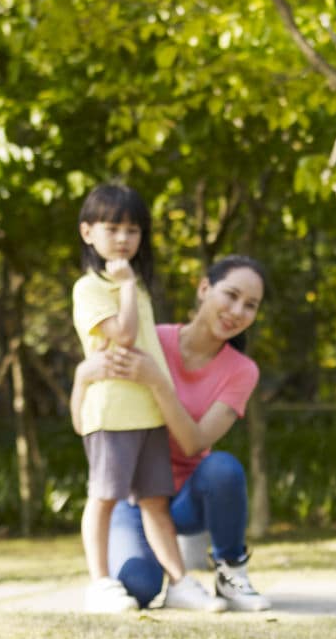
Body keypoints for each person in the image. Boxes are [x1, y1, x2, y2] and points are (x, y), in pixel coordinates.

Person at [73, 254, 272, 613]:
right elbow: (101, 394)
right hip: (136, 496)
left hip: (185, 499)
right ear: (204, 288)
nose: (237, 311)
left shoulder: (242, 370)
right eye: (230, 295)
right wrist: (83, 374)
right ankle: (167, 578)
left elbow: (194, 442)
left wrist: (157, 381)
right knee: (138, 588)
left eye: (250, 305)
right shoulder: (154, 340)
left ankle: (231, 574)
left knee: (223, 469)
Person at [72, 184, 226, 615]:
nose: (124, 238)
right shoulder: (90, 287)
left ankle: (179, 582)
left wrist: (127, 287)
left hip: (148, 412)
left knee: (156, 501)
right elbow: (119, 335)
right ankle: (99, 583)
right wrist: (123, 286)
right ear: (88, 232)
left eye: (133, 229)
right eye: (113, 227)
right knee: (103, 496)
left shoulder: (132, 287)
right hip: (110, 413)